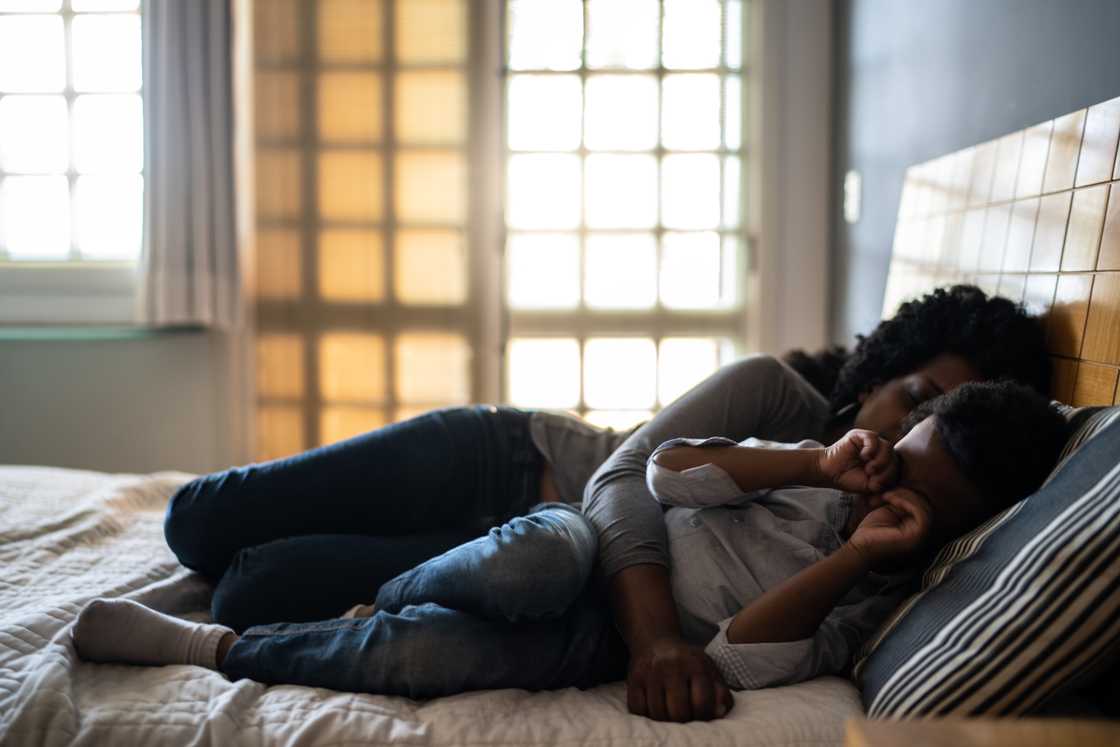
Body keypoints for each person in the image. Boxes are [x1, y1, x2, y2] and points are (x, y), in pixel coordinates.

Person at [70, 285, 1053, 720]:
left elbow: (756, 638)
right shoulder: (779, 408)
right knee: (196, 523)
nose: (899, 437)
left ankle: (294, 610)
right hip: (502, 462)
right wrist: (659, 636)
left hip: (534, 562)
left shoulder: (875, 550)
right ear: (885, 371)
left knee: (248, 590)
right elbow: (630, 476)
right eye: (914, 396)